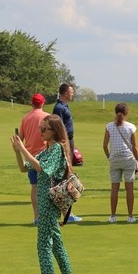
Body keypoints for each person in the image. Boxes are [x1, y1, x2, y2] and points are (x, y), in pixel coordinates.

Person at [10, 115, 75, 274]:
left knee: (44, 244)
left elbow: (42, 168)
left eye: (44, 129)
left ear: (54, 130)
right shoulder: (46, 150)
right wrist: (17, 151)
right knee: (57, 243)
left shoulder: (56, 149)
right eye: (41, 128)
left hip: (48, 201)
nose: (41, 132)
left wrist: (23, 148)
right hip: (46, 200)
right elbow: (25, 168)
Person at [103, 103, 138, 223]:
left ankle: (113, 216)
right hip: (128, 159)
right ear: (126, 113)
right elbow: (135, 147)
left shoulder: (109, 126)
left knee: (114, 188)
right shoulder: (131, 127)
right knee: (129, 188)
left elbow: (104, 145)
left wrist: (109, 156)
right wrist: (137, 162)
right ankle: (130, 216)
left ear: (115, 112)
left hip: (114, 159)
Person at [53, 83, 82, 222]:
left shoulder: (64, 106)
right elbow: (58, 127)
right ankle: (66, 213)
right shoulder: (59, 108)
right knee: (66, 175)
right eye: (71, 92)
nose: (72, 94)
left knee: (68, 173)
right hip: (64, 142)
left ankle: (67, 213)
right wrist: (65, 146)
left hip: (69, 141)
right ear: (65, 93)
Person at [18, 93, 49, 224]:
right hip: (45, 155)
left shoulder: (25, 118)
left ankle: (37, 217)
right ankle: (48, 215)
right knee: (48, 187)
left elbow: (20, 138)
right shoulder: (47, 117)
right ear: (43, 103)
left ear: (32, 104)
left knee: (35, 187)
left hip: (30, 156)